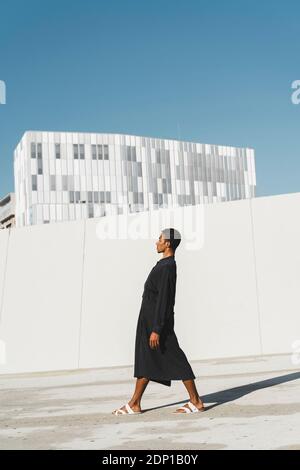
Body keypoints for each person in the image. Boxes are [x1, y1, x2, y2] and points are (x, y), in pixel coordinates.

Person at [112, 228, 205, 415]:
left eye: (160, 239)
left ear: (168, 243)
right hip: (150, 322)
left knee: (176, 359)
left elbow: (165, 300)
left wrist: (157, 328)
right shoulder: (163, 265)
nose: (156, 242)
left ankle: (195, 401)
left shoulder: (168, 267)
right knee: (146, 359)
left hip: (158, 324)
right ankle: (135, 403)